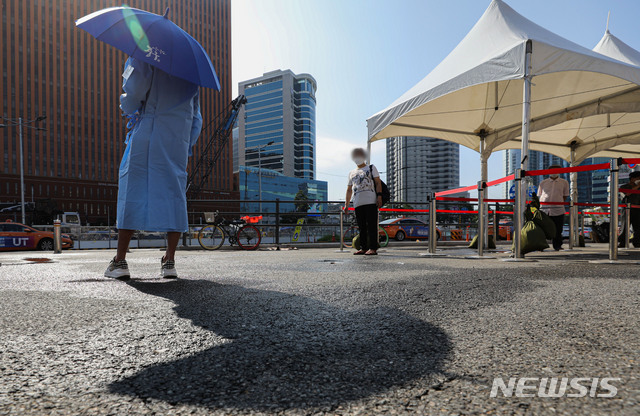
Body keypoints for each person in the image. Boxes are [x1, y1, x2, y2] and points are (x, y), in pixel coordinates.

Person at [104, 56, 202, 280]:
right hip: (177, 140)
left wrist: (127, 103)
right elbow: (197, 117)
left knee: (132, 189)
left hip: (149, 132)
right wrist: (185, 143)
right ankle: (169, 261)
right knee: (174, 194)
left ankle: (120, 261)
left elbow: (133, 94)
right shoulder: (190, 70)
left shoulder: (145, 55)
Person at [344, 148, 383, 255]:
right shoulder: (351, 173)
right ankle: (363, 247)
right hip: (357, 202)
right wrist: (346, 204)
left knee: (371, 225)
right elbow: (349, 190)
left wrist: (379, 196)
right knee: (361, 226)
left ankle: (373, 248)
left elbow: (378, 183)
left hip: (371, 200)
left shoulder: (371, 168)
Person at [537, 165, 570, 251]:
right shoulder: (543, 182)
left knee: (558, 229)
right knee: (542, 228)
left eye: (556, 170)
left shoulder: (564, 182)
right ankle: (541, 245)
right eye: (552, 171)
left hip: (558, 209)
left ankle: (557, 245)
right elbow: (540, 195)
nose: (554, 172)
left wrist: (558, 202)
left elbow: (565, 196)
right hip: (544, 209)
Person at [618, 171, 640, 248]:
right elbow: (626, 194)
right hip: (626, 209)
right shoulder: (624, 187)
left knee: (637, 227)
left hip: (637, 209)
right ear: (632, 179)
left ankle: (637, 242)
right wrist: (637, 186)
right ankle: (622, 242)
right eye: (638, 178)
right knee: (625, 226)